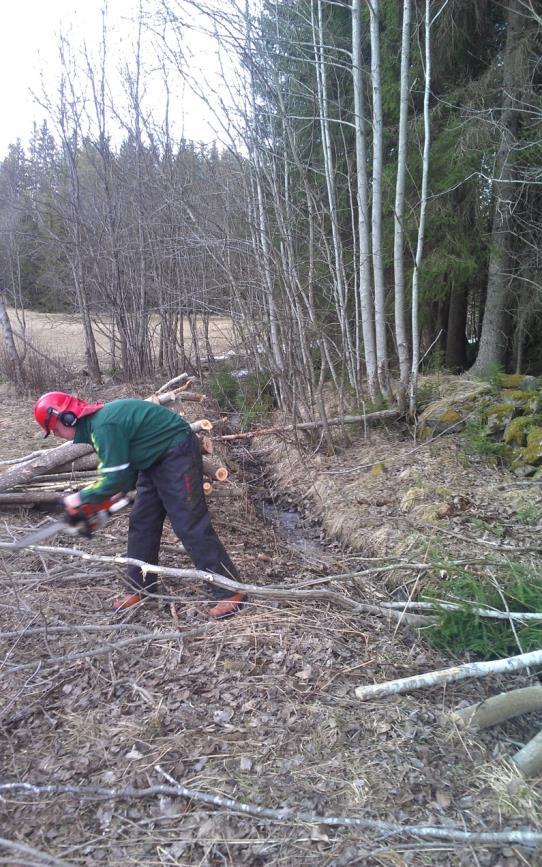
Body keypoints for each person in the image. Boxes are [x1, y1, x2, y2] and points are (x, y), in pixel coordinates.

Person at [33, 391, 245, 619]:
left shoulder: (104, 426)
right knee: (142, 522)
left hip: (176, 451)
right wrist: (112, 497)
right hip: (151, 459)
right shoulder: (97, 428)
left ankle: (230, 590)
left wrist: (81, 498)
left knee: (188, 522)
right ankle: (140, 587)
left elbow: (114, 479)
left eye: (55, 429)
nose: (56, 435)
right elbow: (122, 467)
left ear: (68, 417)